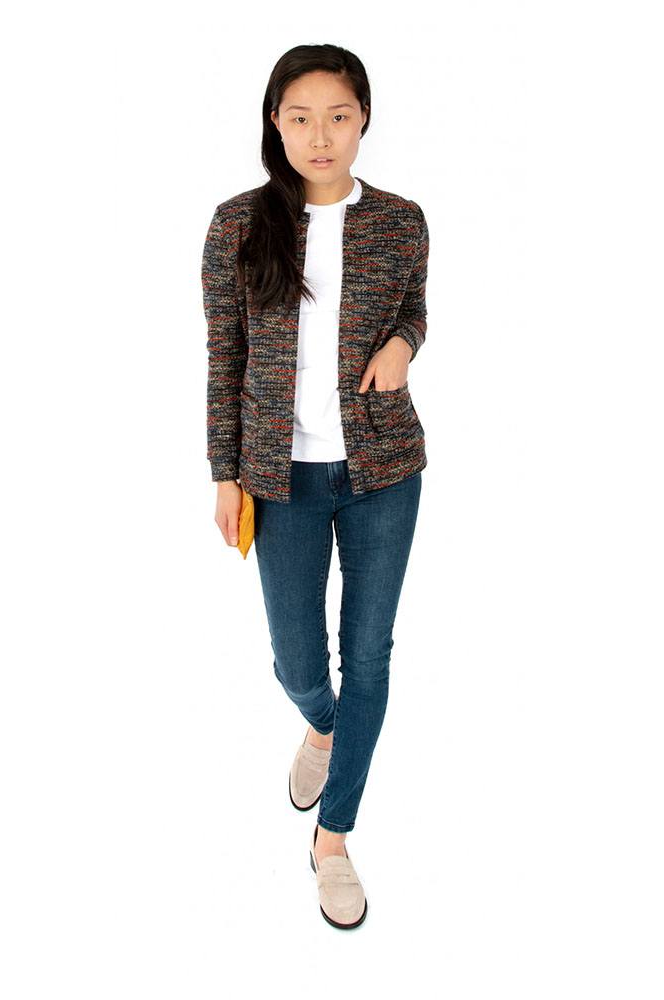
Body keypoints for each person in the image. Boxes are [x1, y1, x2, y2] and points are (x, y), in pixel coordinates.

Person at [201, 43, 430, 930]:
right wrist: (225, 473)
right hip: (279, 475)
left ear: (363, 117)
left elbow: (414, 307)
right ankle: (324, 726)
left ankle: (333, 839)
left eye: (338, 115)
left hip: (384, 470)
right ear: (276, 123)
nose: (320, 135)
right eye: (300, 117)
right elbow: (224, 356)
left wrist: (404, 343)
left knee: (369, 655)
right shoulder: (238, 223)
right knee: (297, 660)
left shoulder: (401, 220)